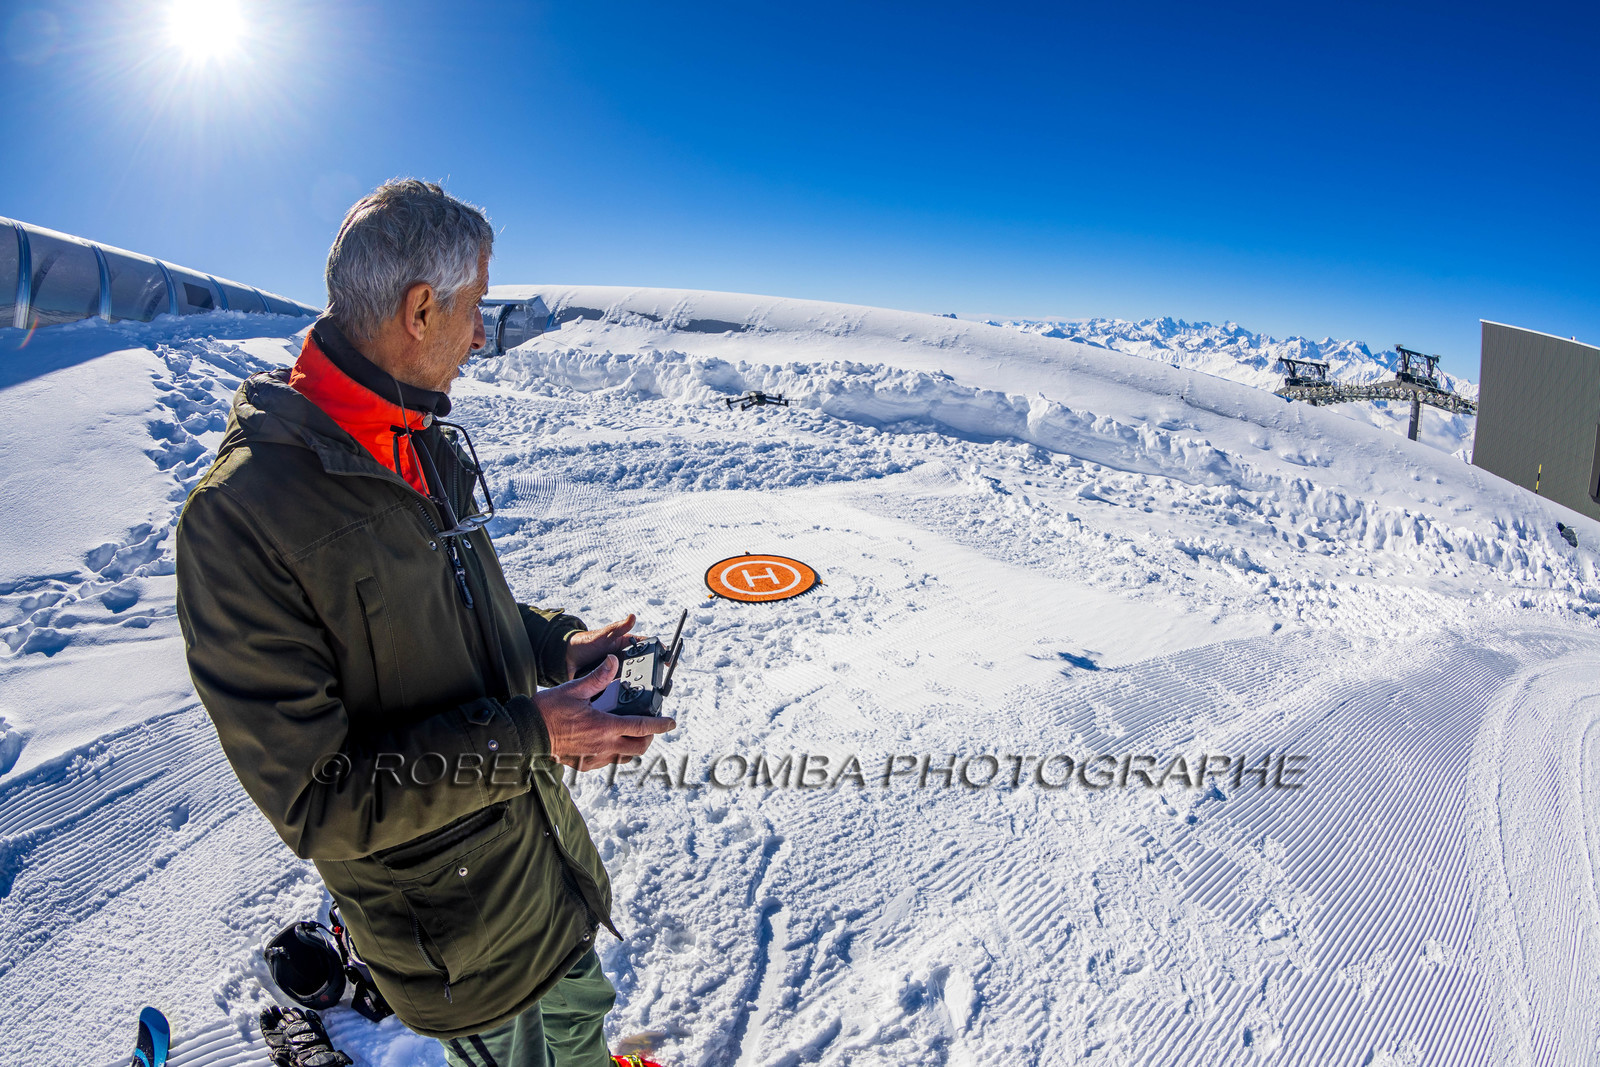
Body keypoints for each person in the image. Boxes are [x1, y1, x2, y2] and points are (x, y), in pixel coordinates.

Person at [175, 179, 673, 1067]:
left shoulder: (416, 438)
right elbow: (319, 798)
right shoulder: (243, 518)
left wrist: (559, 642)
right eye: (476, 307)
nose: (482, 333)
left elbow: (456, 615)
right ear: (419, 309)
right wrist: (532, 733)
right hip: (463, 940)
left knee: (580, 1021)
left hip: (539, 871)